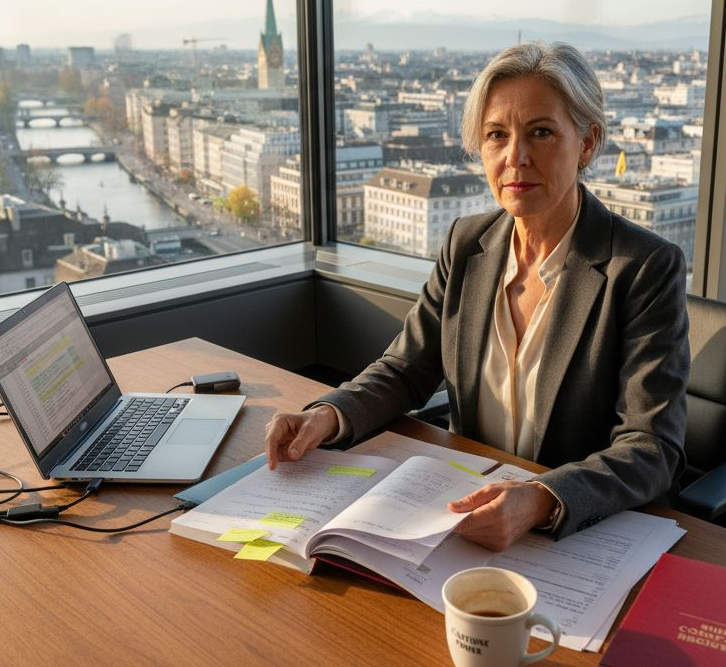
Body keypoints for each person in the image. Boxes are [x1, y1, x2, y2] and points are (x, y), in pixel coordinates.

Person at [265, 42, 689, 551]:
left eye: (541, 132)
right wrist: (326, 415)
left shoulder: (643, 267)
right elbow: (406, 369)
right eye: (496, 135)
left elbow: (652, 446)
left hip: (576, 534)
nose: (516, 157)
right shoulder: (468, 244)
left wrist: (541, 497)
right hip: (466, 513)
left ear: (588, 143)